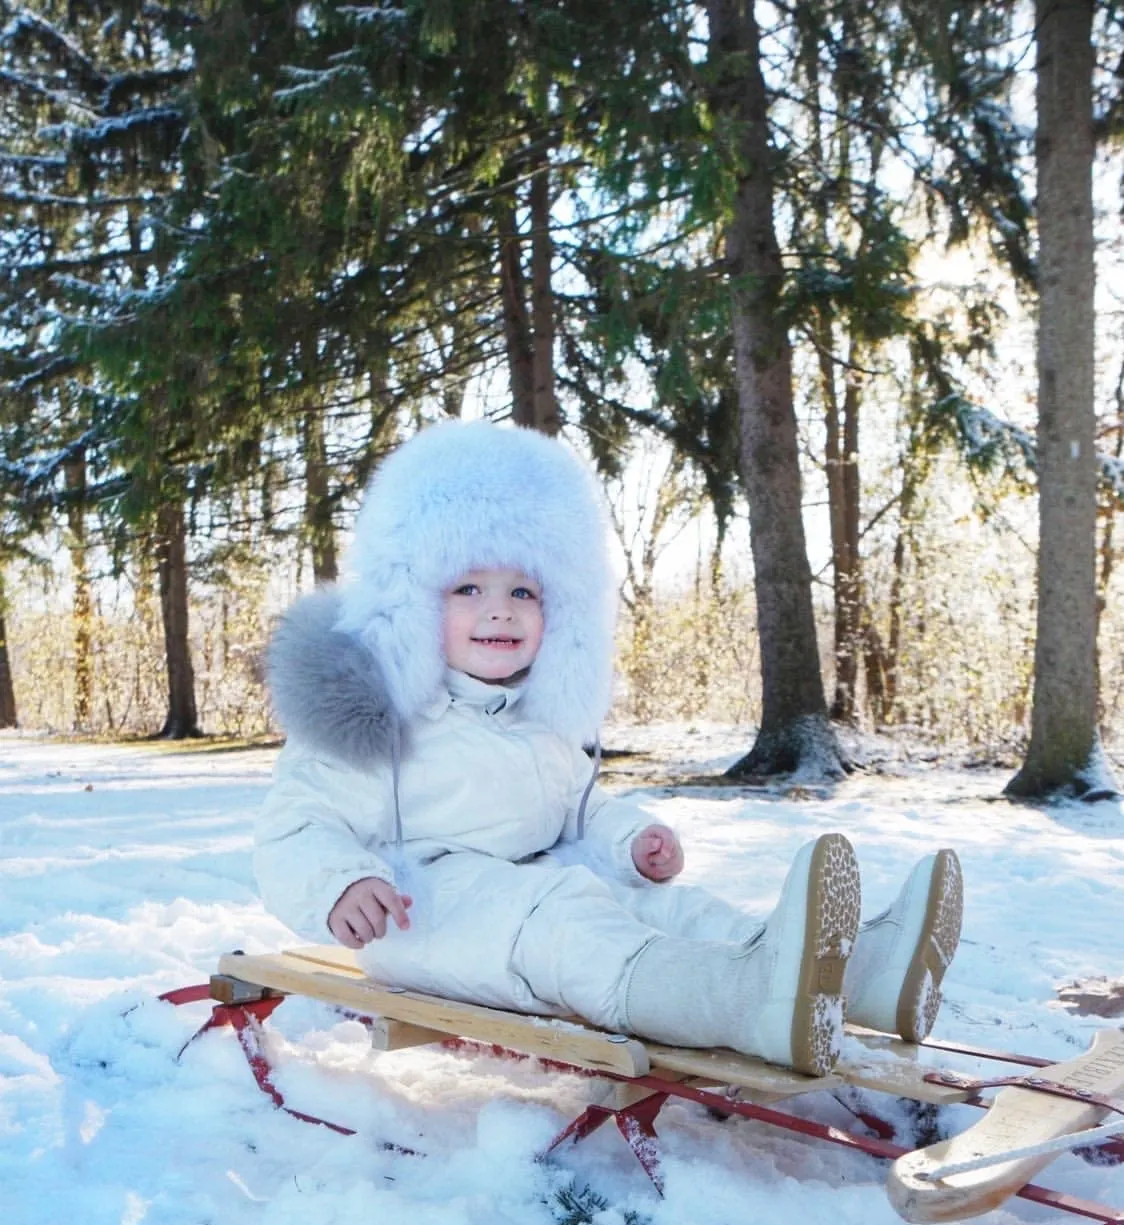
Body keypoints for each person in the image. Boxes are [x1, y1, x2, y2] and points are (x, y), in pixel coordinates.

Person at [255, 419, 962, 1076]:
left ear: (560, 610)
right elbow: (299, 823)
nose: (499, 608)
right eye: (467, 586)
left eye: (524, 591)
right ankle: (745, 1002)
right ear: (408, 601)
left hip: (548, 882)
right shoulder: (376, 718)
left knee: (668, 911)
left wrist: (630, 842)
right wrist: (340, 883)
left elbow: (581, 813)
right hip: (426, 915)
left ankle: (861, 974)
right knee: (572, 929)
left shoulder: (541, 721)